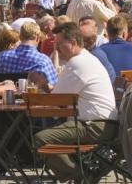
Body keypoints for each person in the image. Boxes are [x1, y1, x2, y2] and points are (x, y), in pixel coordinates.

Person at [31, 22, 119, 182]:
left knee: (40, 139)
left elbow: (57, 101)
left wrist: (37, 93)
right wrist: (45, 86)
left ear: (73, 43)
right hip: (103, 124)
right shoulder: (86, 59)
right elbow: (61, 97)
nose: (56, 48)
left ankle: (81, 176)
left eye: (59, 44)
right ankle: (80, 174)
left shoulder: (78, 63)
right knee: (50, 136)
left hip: (93, 126)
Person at [0, 21, 58, 86]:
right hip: (32, 95)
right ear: (37, 37)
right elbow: (54, 87)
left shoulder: (3, 56)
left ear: (20, 37)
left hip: (8, 95)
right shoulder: (43, 60)